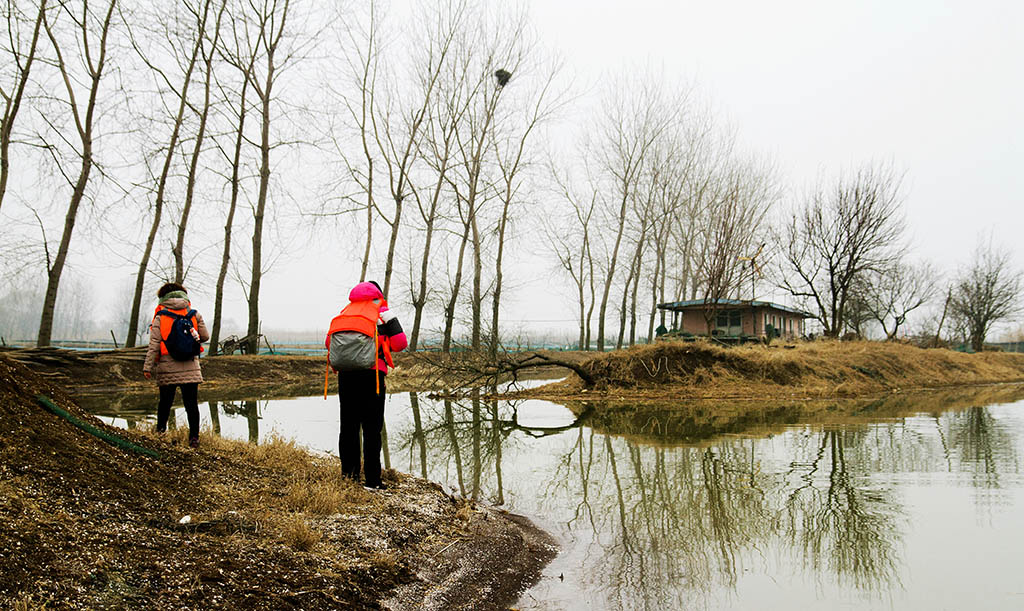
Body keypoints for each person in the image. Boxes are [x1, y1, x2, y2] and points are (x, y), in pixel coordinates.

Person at [325, 280, 407, 490]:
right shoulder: (382, 311)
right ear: (378, 294)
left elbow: (329, 344)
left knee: (348, 427)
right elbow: (400, 344)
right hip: (373, 377)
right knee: (371, 429)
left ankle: (349, 477)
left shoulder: (346, 311)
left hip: (346, 376)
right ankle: (372, 481)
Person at [142, 282, 210, 448]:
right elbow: (205, 336)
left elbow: (154, 345)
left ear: (163, 298)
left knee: (165, 402)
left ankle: (160, 433)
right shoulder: (194, 314)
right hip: (190, 364)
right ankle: (194, 438)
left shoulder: (160, 317)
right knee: (191, 404)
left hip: (167, 365)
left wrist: (147, 367)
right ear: (183, 295)